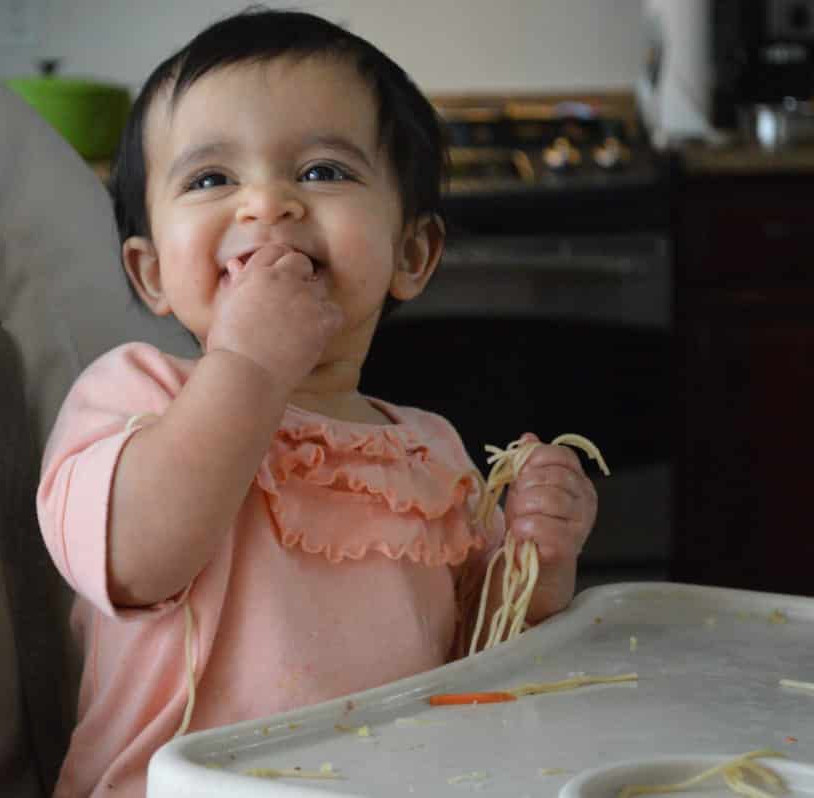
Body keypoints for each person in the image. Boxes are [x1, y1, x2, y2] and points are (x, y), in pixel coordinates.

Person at [36, 8, 599, 797]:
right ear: (152, 270)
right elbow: (136, 559)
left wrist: (534, 572)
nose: (267, 206)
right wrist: (247, 364)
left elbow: (474, 668)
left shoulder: (431, 454)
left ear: (411, 253)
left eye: (323, 172)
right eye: (211, 179)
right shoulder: (136, 395)